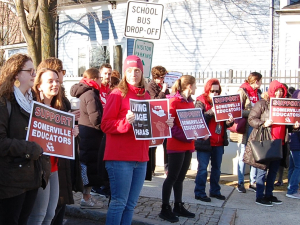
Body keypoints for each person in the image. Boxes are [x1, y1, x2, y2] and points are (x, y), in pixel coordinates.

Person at [101, 55, 173, 225]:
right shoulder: (117, 94)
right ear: (125, 73)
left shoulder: (146, 96)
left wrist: (165, 123)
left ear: (142, 73)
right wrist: (126, 122)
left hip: (141, 158)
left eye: (137, 70)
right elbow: (105, 125)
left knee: (131, 204)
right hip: (120, 159)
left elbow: (153, 126)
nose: (134, 74)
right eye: (130, 70)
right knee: (119, 202)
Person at [0, 54, 50, 225]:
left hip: (32, 177)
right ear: (15, 75)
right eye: (29, 71)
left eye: (34, 71)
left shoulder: (33, 101)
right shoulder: (3, 102)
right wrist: (30, 148)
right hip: (10, 181)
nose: (34, 75)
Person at [28, 68, 79, 224]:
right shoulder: (32, 106)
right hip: (39, 168)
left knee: (50, 213)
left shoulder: (60, 107)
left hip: (55, 167)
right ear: (39, 86)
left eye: (57, 80)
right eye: (50, 81)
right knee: (38, 215)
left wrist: (72, 133)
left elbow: (61, 140)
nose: (55, 84)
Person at [245, 80, 298, 206]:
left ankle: (269, 194)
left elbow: (288, 124)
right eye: (277, 90)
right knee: (262, 171)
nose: (279, 93)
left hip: (280, 143)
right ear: (272, 91)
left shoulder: (285, 105)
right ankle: (259, 196)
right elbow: (251, 119)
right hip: (265, 141)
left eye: (281, 91)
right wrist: (264, 124)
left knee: (273, 171)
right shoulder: (262, 104)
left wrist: (294, 126)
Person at [159, 75, 197, 223]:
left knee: (180, 178)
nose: (195, 88)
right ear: (189, 86)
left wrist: (200, 133)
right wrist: (186, 135)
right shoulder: (173, 102)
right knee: (172, 177)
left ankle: (178, 205)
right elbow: (170, 126)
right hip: (176, 145)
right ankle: (165, 208)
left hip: (188, 145)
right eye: (194, 85)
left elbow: (193, 123)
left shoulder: (190, 103)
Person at [194, 78, 234, 203]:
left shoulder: (222, 102)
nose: (215, 94)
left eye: (217, 91)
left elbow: (224, 123)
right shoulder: (200, 101)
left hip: (219, 141)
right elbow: (199, 119)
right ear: (207, 90)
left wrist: (229, 121)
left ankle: (215, 191)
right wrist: (212, 111)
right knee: (202, 169)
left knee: (217, 169)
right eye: (212, 91)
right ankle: (199, 192)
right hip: (205, 141)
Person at [70, 68, 104, 208]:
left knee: (86, 166)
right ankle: (87, 198)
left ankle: (87, 196)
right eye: (100, 78)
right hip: (91, 136)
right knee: (89, 167)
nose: (101, 81)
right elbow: (95, 118)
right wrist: (105, 128)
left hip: (86, 134)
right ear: (95, 79)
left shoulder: (84, 92)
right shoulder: (90, 94)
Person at [230, 72, 262, 193]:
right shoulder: (243, 91)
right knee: (244, 153)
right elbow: (237, 110)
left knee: (255, 154)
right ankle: (241, 182)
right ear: (256, 80)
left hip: (256, 127)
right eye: (260, 80)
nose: (261, 83)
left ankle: (252, 181)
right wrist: (253, 114)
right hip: (246, 127)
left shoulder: (258, 93)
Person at [146, 65, 170, 177]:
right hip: (154, 118)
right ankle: (151, 169)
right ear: (155, 76)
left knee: (165, 143)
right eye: (160, 77)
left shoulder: (162, 85)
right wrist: (163, 90)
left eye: (163, 77)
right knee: (153, 146)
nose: (162, 79)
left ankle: (166, 168)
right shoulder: (150, 86)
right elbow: (154, 101)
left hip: (163, 116)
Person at [286, 89, 300, 199]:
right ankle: (292, 190)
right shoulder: (295, 110)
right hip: (296, 140)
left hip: (292, 139)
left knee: (293, 166)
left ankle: (290, 187)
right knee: (298, 166)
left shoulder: (292, 109)